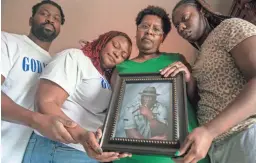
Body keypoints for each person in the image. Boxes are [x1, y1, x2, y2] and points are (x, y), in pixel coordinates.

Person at [115, 5, 210, 163]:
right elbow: (115, 111)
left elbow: (198, 100)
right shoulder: (121, 68)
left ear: (162, 37)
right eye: (144, 26)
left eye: (156, 29)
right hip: (131, 156)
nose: (149, 32)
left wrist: (189, 79)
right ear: (137, 31)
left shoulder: (177, 60)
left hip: (184, 153)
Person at [22, 31, 133, 163]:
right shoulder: (75, 57)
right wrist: (82, 136)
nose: (117, 53)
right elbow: (46, 103)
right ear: (104, 41)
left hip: (87, 151)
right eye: (115, 45)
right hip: (60, 147)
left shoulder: (108, 79)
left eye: (123, 55)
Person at [168, 0, 256, 162]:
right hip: (215, 149)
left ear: (202, 11)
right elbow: (204, 102)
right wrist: (190, 82)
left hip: (244, 135)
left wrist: (209, 130)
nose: (181, 27)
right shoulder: (200, 56)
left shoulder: (230, 27)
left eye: (185, 18)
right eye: (177, 25)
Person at [1, 1, 73, 163]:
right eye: (44, 14)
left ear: (59, 28)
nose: (50, 19)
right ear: (30, 20)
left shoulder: (56, 63)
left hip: (24, 154)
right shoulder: (7, 41)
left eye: (56, 18)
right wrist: (36, 120)